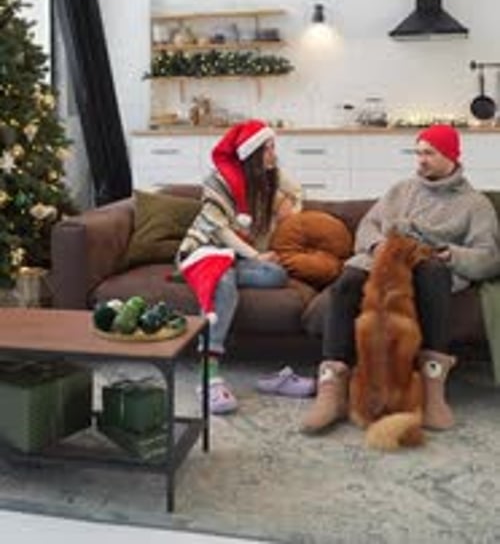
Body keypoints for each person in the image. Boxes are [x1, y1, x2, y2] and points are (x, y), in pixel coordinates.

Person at [301, 123, 500, 435]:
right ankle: (333, 387)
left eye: (429, 154)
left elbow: (488, 257)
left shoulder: (475, 205)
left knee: (433, 272)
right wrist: (377, 246)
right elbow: (368, 226)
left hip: (433, 267)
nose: (421, 160)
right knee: (348, 282)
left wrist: (451, 254)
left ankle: (432, 387)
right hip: (384, 261)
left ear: (451, 156)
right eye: (418, 153)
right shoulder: (400, 191)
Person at [177, 119, 301, 414]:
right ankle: (208, 375)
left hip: (237, 258)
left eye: (273, 147)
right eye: (267, 148)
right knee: (224, 284)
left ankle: (209, 278)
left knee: (275, 274)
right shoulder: (217, 181)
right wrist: (255, 256)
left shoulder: (265, 180)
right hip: (204, 250)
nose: (273, 154)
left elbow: (297, 195)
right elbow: (220, 231)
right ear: (252, 153)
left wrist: (284, 195)